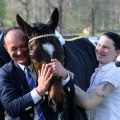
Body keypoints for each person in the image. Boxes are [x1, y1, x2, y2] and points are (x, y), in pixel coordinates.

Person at [0, 27, 74, 120]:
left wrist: (65, 76)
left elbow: (70, 94)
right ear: (6, 49)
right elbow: (11, 108)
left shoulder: (45, 64)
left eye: (23, 46)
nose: (19, 52)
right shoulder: (4, 73)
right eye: (14, 49)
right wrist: (39, 91)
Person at [74, 32, 120, 120]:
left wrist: (66, 78)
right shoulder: (95, 74)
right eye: (98, 45)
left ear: (117, 53)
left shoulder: (116, 73)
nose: (99, 49)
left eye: (105, 47)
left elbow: (89, 103)